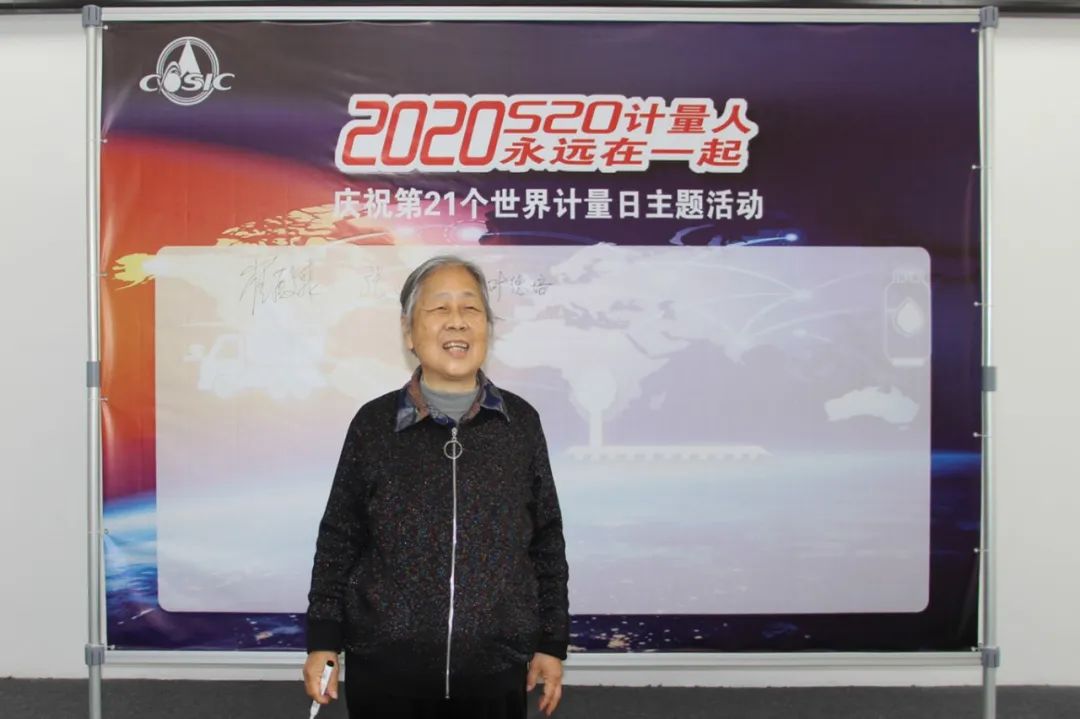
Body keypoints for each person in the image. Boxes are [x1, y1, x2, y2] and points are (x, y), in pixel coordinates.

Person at [303, 255, 570, 719]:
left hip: (495, 671)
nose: (457, 321)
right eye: (440, 308)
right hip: (385, 671)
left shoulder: (520, 423)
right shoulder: (374, 424)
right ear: (409, 332)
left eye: (471, 308)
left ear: (487, 328)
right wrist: (323, 639)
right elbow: (340, 537)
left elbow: (546, 539)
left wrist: (551, 641)